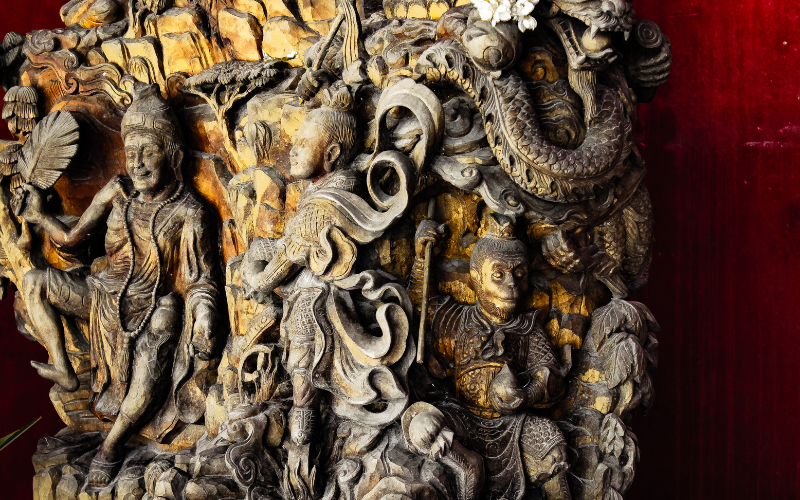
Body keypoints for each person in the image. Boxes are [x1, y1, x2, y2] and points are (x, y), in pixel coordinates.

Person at [15, 83, 221, 487]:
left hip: (154, 302)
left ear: (173, 155)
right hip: (103, 293)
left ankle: (111, 446)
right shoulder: (117, 194)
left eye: (149, 151)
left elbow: (201, 279)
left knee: (163, 326)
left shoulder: (189, 212)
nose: (138, 163)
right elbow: (71, 240)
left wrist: (204, 314)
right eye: (131, 152)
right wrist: (38, 217)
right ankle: (64, 369)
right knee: (35, 282)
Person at [408, 212, 573, 500]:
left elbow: (551, 376)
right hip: (461, 417)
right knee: (423, 424)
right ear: (476, 278)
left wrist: (527, 394)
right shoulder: (458, 319)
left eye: (519, 275)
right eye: (498, 275)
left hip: (513, 425)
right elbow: (422, 305)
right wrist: (423, 258)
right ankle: (463, 473)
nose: (511, 285)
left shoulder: (528, 328)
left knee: (551, 442)